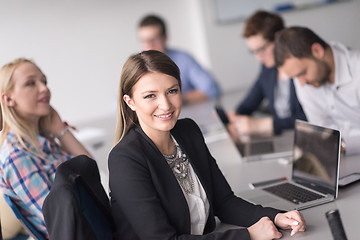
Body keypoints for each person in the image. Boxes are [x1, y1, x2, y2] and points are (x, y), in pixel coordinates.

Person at [108, 50, 306, 239]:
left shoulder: (188, 132)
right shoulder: (125, 159)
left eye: (172, 91)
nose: (166, 105)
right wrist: (249, 235)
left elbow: (224, 202)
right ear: (130, 102)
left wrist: (276, 217)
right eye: (150, 95)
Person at [0, 58, 92, 238]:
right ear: (8, 99)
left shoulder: (44, 142)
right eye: (30, 83)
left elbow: (91, 174)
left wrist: (60, 130)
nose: (44, 88)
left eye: (44, 81)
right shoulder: (17, 156)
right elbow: (62, 220)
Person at [274, 26, 360, 155]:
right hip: (342, 159)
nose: (302, 83)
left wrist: (342, 144)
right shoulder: (303, 81)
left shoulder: (357, 68)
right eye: (296, 77)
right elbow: (322, 131)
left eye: (302, 73)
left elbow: (331, 141)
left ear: (317, 51)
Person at [227, 11, 306, 138]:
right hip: (285, 138)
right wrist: (235, 114)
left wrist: (266, 125)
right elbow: (253, 97)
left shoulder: (300, 67)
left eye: (261, 49)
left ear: (278, 38)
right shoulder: (268, 68)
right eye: (254, 52)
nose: (258, 57)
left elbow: (311, 117)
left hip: (302, 138)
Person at [137, 14, 221, 104]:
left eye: (153, 40)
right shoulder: (137, 67)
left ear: (165, 38)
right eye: (144, 40)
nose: (148, 46)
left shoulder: (183, 59)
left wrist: (176, 99)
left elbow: (212, 89)